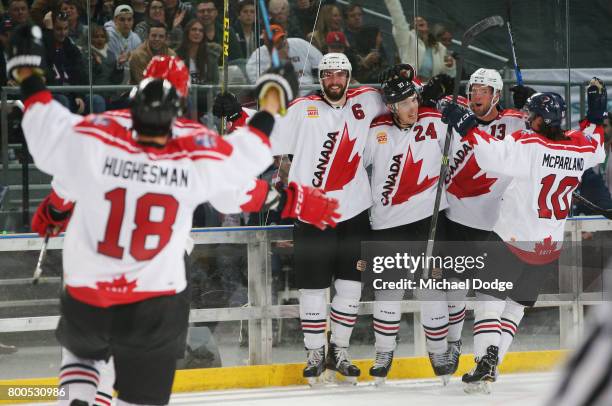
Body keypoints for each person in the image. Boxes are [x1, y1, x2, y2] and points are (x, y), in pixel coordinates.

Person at [7, 23, 339, 404]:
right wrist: (291, 191)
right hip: (156, 283)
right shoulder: (195, 148)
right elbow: (241, 186)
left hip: (91, 279)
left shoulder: (96, 131)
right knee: (141, 381)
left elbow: (52, 141)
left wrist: (55, 205)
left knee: (83, 354)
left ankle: (84, 393)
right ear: (181, 97)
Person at [440, 80, 606, 394]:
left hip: (513, 239)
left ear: (542, 120)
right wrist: (595, 116)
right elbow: (595, 145)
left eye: (531, 114)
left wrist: (465, 125)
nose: (526, 118)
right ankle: (493, 365)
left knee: (489, 301)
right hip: (548, 247)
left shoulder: (529, 144)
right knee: (515, 307)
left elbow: (491, 155)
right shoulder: (579, 148)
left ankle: (483, 359)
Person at [268, 52, 388, 384]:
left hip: (355, 211)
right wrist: (237, 116)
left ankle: (340, 350)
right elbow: (267, 130)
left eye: (339, 75)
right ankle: (314, 352)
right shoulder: (301, 109)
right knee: (312, 287)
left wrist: (413, 81)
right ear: (320, 79)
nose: (333, 81)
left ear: (349, 77)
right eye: (327, 75)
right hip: (312, 212)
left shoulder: (369, 100)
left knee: (350, 286)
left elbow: (404, 102)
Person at [363, 65, 448, 384]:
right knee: (388, 292)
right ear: (391, 107)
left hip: (429, 222)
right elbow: (355, 167)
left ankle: (438, 353)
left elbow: (461, 150)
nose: (412, 108)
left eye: (415, 100)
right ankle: (383, 353)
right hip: (387, 225)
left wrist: (445, 98)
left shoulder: (435, 121)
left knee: (432, 290)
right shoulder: (377, 131)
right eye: (404, 103)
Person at [383, 0, 455, 81]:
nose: (419, 19)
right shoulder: (407, 40)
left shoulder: (439, 48)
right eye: (416, 20)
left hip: (431, 90)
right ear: (412, 27)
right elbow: (398, 20)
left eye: (422, 19)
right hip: (410, 87)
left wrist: (450, 67)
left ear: (427, 26)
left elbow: (449, 75)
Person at [246, 24, 322, 87]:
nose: (281, 42)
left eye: (282, 38)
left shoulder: (300, 44)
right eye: (276, 41)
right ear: (266, 43)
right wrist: (278, 61)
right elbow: (260, 84)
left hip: (308, 93)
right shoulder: (258, 55)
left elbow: (321, 62)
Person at [105, 4, 142, 84]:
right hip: (111, 77)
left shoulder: (136, 38)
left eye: (129, 20)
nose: (126, 23)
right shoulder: (108, 35)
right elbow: (111, 63)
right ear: (115, 20)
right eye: (122, 20)